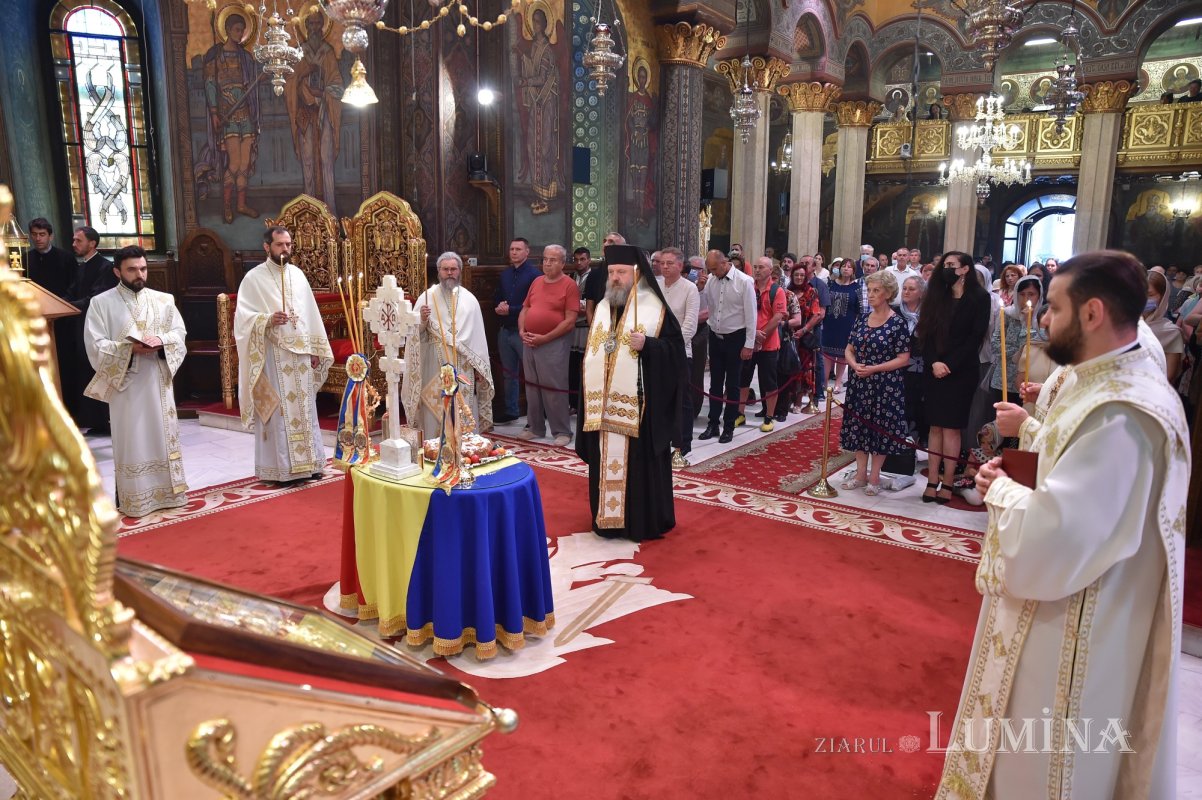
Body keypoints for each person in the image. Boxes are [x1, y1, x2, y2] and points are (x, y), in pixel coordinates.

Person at [937, 250, 1190, 800]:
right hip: (1072, 598)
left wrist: (997, 489)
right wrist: (1032, 435)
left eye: (1053, 307)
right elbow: (1067, 457)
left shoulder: (1122, 413)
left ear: (1092, 313)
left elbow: (1060, 535)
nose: (1043, 318)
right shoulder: (1100, 380)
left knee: (1046, 762)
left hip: (1079, 618)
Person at [575, 245, 685, 541]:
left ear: (636, 274)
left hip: (639, 411)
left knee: (637, 468)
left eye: (621, 272)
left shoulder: (655, 308)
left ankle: (640, 520)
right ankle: (607, 520)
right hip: (602, 408)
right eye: (611, 272)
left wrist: (649, 346)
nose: (615, 278)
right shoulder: (601, 308)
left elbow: (676, 352)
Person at [83, 245, 188, 517]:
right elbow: (95, 345)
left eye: (143, 268)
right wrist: (129, 349)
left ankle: (167, 493)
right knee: (133, 441)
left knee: (162, 437)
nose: (139, 274)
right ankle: (135, 498)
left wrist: (162, 341)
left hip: (157, 382)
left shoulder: (164, 300)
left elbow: (179, 334)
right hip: (126, 387)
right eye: (132, 269)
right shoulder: (101, 303)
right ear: (118, 271)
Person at [234, 226, 334, 483]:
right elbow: (242, 319)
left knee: (305, 409)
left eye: (289, 244)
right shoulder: (253, 279)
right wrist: (267, 320)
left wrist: (314, 349)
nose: (285, 249)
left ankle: (310, 464)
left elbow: (310, 315)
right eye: (280, 245)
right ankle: (282, 470)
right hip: (273, 355)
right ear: (267, 247)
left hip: (300, 356)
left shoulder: (298, 275)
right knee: (279, 412)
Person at [915, 250, 991, 504]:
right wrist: (934, 362)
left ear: (965, 269)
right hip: (934, 369)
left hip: (961, 371)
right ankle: (932, 480)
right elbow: (924, 332)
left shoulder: (979, 297)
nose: (946, 268)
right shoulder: (937, 295)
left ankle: (948, 481)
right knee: (935, 426)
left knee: (952, 428)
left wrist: (949, 364)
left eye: (951, 264)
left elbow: (975, 337)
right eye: (944, 264)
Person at [405, 251, 494, 438]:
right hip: (433, 366)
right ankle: (433, 446)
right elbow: (414, 335)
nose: (450, 273)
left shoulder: (470, 301)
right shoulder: (426, 297)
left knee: (462, 407)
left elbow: (478, 340)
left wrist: (479, 368)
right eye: (445, 269)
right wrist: (421, 319)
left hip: (462, 367)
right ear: (438, 271)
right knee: (434, 407)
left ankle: (463, 446)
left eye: (453, 269)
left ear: (459, 271)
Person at [839, 271, 911, 494]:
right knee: (859, 428)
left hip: (884, 385)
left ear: (888, 293)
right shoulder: (861, 318)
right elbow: (849, 348)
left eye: (876, 290)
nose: (870, 295)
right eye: (869, 290)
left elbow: (903, 358)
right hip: (859, 382)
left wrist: (874, 368)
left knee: (880, 430)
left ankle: (875, 477)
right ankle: (860, 474)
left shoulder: (897, 322)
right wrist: (854, 365)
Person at [518, 244, 579, 445]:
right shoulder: (536, 281)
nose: (547, 263)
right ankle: (535, 428)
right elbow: (526, 308)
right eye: (545, 259)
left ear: (562, 263)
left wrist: (545, 338)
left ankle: (562, 431)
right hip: (530, 341)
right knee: (532, 387)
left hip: (554, 342)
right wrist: (522, 331)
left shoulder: (569, 285)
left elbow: (570, 321)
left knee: (554, 387)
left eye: (553, 260)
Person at [698, 249, 756, 444]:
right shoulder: (713, 281)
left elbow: (751, 316)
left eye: (714, 268)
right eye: (710, 269)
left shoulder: (745, 281)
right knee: (714, 383)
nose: (712, 272)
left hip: (736, 338)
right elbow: (711, 307)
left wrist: (749, 344)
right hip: (716, 337)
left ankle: (729, 426)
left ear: (724, 263)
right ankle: (713, 423)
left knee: (732, 384)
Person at [70, 225, 118, 434]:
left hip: (98, 326)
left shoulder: (105, 267)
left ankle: (107, 421)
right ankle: (95, 421)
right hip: (80, 324)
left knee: (98, 369)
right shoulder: (82, 267)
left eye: (78, 241)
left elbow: (98, 298)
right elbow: (71, 292)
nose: (74, 244)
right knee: (84, 370)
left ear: (92, 243)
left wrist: (73, 306)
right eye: (73, 240)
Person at [656, 247, 699, 467]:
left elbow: (690, 324)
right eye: (662, 263)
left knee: (682, 400)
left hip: (681, 353)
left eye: (669, 263)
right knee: (661, 399)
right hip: (658, 351)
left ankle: (683, 444)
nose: (664, 267)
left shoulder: (690, 289)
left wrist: (670, 346)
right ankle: (663, 440)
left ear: (680, 266)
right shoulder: (655, 286)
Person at [738, 257, 789, 432]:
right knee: (743, 379)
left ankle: (769, 416)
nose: (757, 270)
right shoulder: (748, 287)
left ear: (770, 270)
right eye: (755, 267)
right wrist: (751, 336)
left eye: (761, 267)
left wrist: (761, 336)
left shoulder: (777, 290)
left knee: (768, 382)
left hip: (768, 344)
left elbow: (778, 316)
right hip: (748, 342)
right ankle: (740, 413)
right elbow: (741, 311)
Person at [493, 237, 541, 422]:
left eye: (518, 249)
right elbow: (497, 296)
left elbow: (535, 305)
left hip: (524, 331)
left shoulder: (534, 275)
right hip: (505, 330)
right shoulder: (505, 274)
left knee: (531, 374)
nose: (514, 252)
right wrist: (499, 307)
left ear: (526, 252)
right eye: (512, 249)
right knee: (509, 373)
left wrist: (511, 309)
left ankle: (535, 415)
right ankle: (511, 410)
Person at [989, 275, 1045, 405]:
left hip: (1029, 382)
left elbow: (1033, 349)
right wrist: (1018, 353)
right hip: (1003, 380)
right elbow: (996, 344)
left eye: (1031, 294)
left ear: (1039, 295)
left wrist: (1027, 323)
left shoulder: (1043, 318)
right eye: (1022, 294)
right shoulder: (1007, 314)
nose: (1026, 299)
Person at [787, 260, 824, 412]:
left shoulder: (811, 291)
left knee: (803, 369)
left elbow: (817, 314)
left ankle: (798, 400)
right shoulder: (787, 291)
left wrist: (804, 330)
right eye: (796, 275)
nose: (799, 277)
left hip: (805, 336)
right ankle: (787, 398)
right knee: (788, 367)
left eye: (802, 275)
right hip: (789, 335)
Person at [822, 258, 861, 393]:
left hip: (847, 325)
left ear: (853, 271)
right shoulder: (831, 284)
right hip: (830, 323)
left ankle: (838, 382)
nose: (846, 269)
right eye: (844, 266)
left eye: (849, 267)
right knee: (827, 354)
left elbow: (859, 309)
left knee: (843, 355)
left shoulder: (856, 288)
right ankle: (824, 381)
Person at [1144, 269, 1184, 384]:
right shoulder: (1120, 325)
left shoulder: (1171, 332)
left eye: (1150, 295)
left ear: (1163, 297)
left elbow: (1168, 376)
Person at [25, 217, 75, 298]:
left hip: (62, 305)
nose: (38, 238)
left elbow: (74, 286)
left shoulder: (66, 258)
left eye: (42, 234)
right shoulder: (25, 258)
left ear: (51, 236)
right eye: (34, 234)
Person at [569, 246, 593, 408]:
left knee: (585, 365)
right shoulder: (571, 277)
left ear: (589, 260)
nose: (579, 262)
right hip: (572, 326)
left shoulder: (594, 277)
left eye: (582, 259)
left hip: (586, 326)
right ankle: (573, 403)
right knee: (572, 365)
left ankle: (585, 404)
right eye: (576, 259)